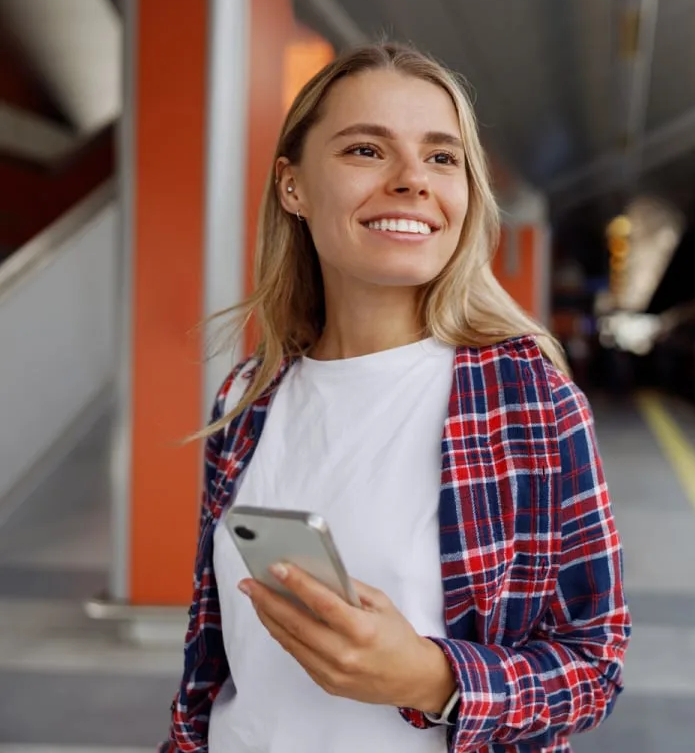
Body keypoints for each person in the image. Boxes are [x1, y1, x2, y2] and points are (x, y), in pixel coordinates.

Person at [159, 42, 630, 753]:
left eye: (442, 158)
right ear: (293, 187)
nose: (413, 180)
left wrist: (430, 678)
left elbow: (594, 667)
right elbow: (216, 657)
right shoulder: (249, 394)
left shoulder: (526, 400)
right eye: (366, 151)